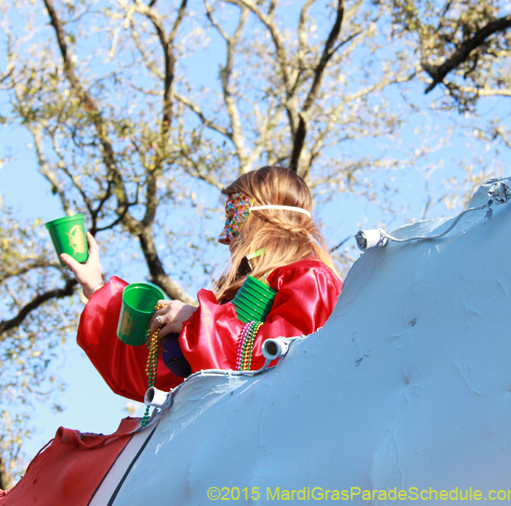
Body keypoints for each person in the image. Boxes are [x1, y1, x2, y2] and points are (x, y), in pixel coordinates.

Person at [63, 166, 342, 402]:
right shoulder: (231, 305)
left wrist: (196, 321)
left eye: (235, 218)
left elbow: (288, 362)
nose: (225, 237)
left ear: (266, 221)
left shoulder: (313, 278)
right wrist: (97, 289)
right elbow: (161, 377)